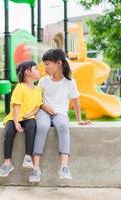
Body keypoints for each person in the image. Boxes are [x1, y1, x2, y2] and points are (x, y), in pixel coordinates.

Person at [28, 49, 91, 182]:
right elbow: (36, 99)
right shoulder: (43, 81)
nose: (44, 68)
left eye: (47, 64)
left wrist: (79, 119)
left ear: (58, 63)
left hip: (60, 113)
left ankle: (64, 167)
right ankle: (35, 168)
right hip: (43, 112)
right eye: (43, 64)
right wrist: (44, 107)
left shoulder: (69, 82)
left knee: (63, 126)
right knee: (42, 127)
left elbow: (76, 101)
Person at [0, 61, 42, 177]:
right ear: (28, 72)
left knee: (32, 127)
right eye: (36, 69)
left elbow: (38, 106)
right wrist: (16, 121)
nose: (38, 71)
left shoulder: (38, 89)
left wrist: (31, 113)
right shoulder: (20, 88)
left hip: (29, 117)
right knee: (9, 131)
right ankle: (7, 162)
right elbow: (16, 105)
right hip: (15, 117)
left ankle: (28, 157)